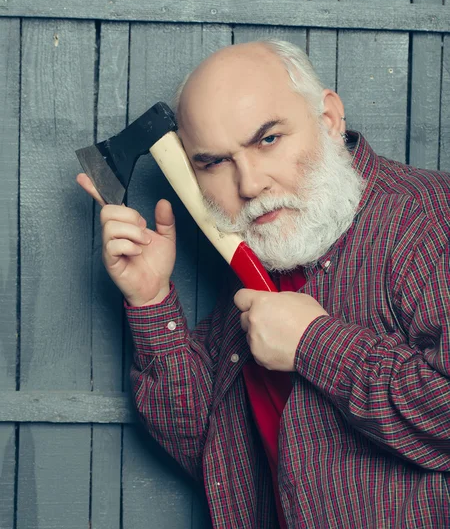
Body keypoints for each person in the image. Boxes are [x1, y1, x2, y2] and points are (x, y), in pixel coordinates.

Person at [77, 40, 450, 528]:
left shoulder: (429, 220)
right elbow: (211, 451)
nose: (249, 183)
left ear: (330, 119)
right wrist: (151, 300)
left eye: (268, 139)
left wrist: (314, 343)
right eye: (214, 163)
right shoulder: (266, 260)